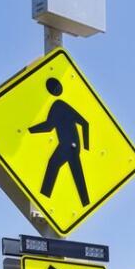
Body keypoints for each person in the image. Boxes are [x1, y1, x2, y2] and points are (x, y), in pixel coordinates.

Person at [29, 75, 90, 206]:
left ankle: (45, 198)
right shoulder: (58, 106)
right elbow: (49, 126)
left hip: (68, 146)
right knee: (73, 173)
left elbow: (85, 123)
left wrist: (87, 147)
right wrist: (29, 130)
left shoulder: (59, 106)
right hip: (70, 146)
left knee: (56, 165)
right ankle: (84, 202)